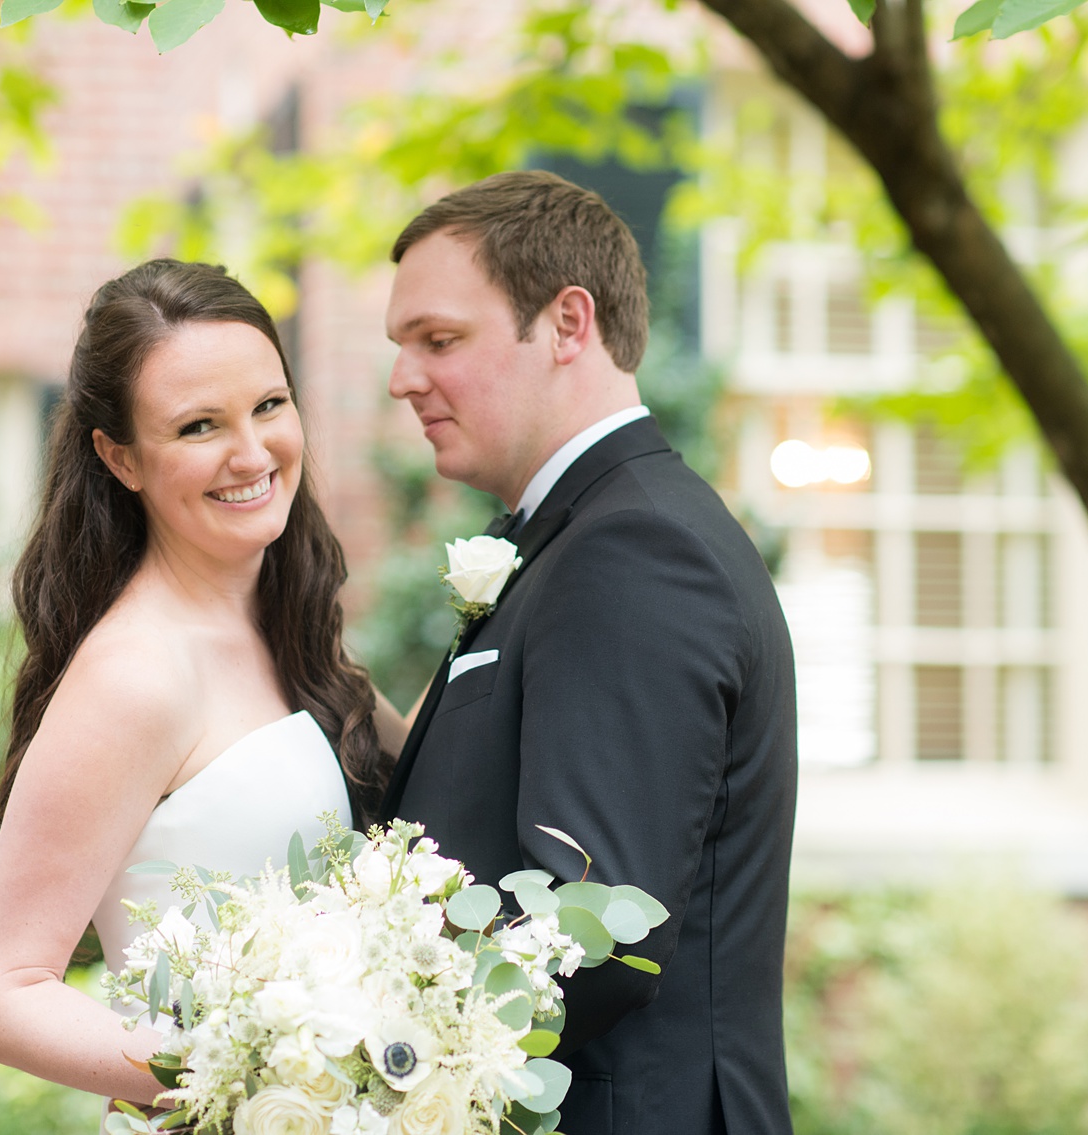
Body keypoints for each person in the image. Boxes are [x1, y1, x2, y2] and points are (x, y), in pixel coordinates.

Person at [381, 170, 799, 1135]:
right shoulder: (578, 535)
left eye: (438, 340)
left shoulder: (634, 551)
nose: (404, 379)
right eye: (401, 347)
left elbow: (592, 935)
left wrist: (360, 1049)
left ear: (570, 323)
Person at [0, 260, 403, 1105]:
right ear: (121, 458)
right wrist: (250, 1083)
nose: (252, 451)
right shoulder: (136, 673)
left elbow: (436, 766)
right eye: (199, 425)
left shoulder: (288, 627)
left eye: (269, 405)